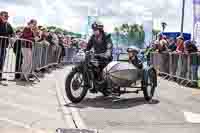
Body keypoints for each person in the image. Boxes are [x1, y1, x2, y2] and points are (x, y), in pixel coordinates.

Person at [0, 11, 14, 81]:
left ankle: (0, 75)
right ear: (1, 16)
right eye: (5, 16)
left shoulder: (8, 24)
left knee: (2, 61)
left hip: (4, 45)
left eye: (7, 16)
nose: (6, 18)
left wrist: (12, 37)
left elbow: (12, 33)